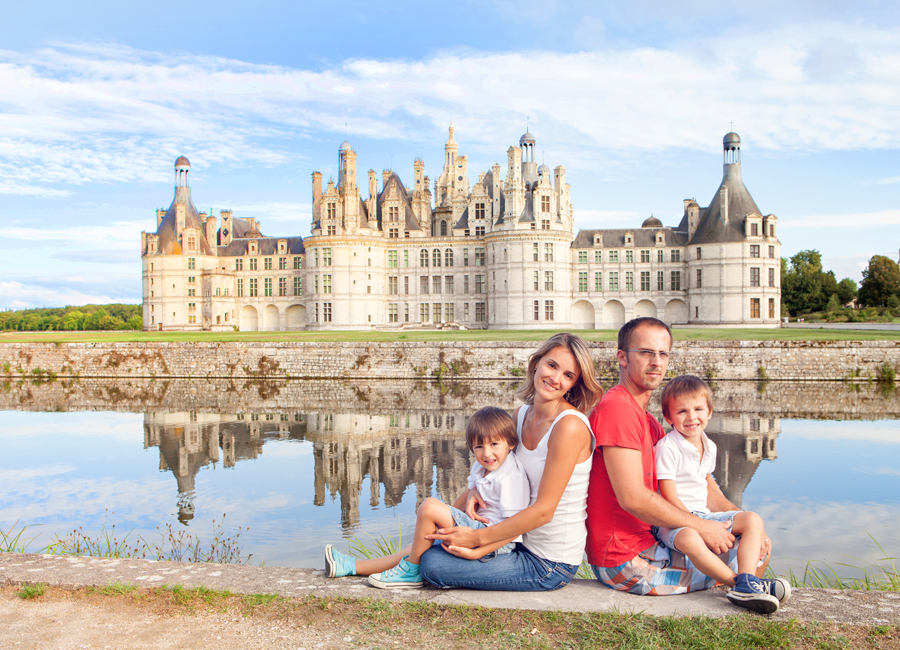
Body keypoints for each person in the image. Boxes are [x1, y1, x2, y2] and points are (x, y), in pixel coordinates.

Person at [585, 317, 789, 613]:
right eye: (646, 352)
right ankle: (745, 588)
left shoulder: (649, 422)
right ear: (622, 358)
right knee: (753, 556)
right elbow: (632, 498)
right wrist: (703, 527)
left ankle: (746, 586)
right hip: (627, 561)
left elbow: (702, 483)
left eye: (663, 354)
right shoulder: (618, 410)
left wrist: (742, 521)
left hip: (648, 545)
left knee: (753, 542)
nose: (656, 362)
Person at [416, 332, 604, 591]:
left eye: (568, 375)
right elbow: (495, 471)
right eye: (552, 365)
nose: (555, 378)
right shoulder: (520, 415)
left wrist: (477, 539)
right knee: (433, 541)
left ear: (573, 384)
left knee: (432, 563)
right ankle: (379, 565)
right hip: (512, 541)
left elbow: (544, 511)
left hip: (548, 562)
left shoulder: (569, 427)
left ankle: (405, 565)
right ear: (537, 363)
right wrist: (473, 491)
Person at [322, 407, 530, 588]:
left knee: (429, 506)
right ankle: (350, 567)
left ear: (511, 443)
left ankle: (411, 572)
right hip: (478, 529)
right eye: (479, 447)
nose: (487, 453)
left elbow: (514, 530)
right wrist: (445, 521)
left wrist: (478, 552)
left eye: (494, 444)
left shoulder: (511, 477)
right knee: (415, 547)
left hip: (495, 541)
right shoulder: (482, 467)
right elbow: (464, 500)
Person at [653, 375, 790, 613]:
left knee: (753, 520)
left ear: (709, 412)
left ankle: (748, 578)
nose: (691, 417)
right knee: (689, 538)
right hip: (674, 519)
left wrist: (712, 520)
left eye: (698, 409)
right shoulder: (668, 447)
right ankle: (741, 585)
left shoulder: (710, 446)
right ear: (668, 417)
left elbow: (706, 486)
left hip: (702, 515)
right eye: (682, 411)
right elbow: (668, 496)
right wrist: (698, 525)